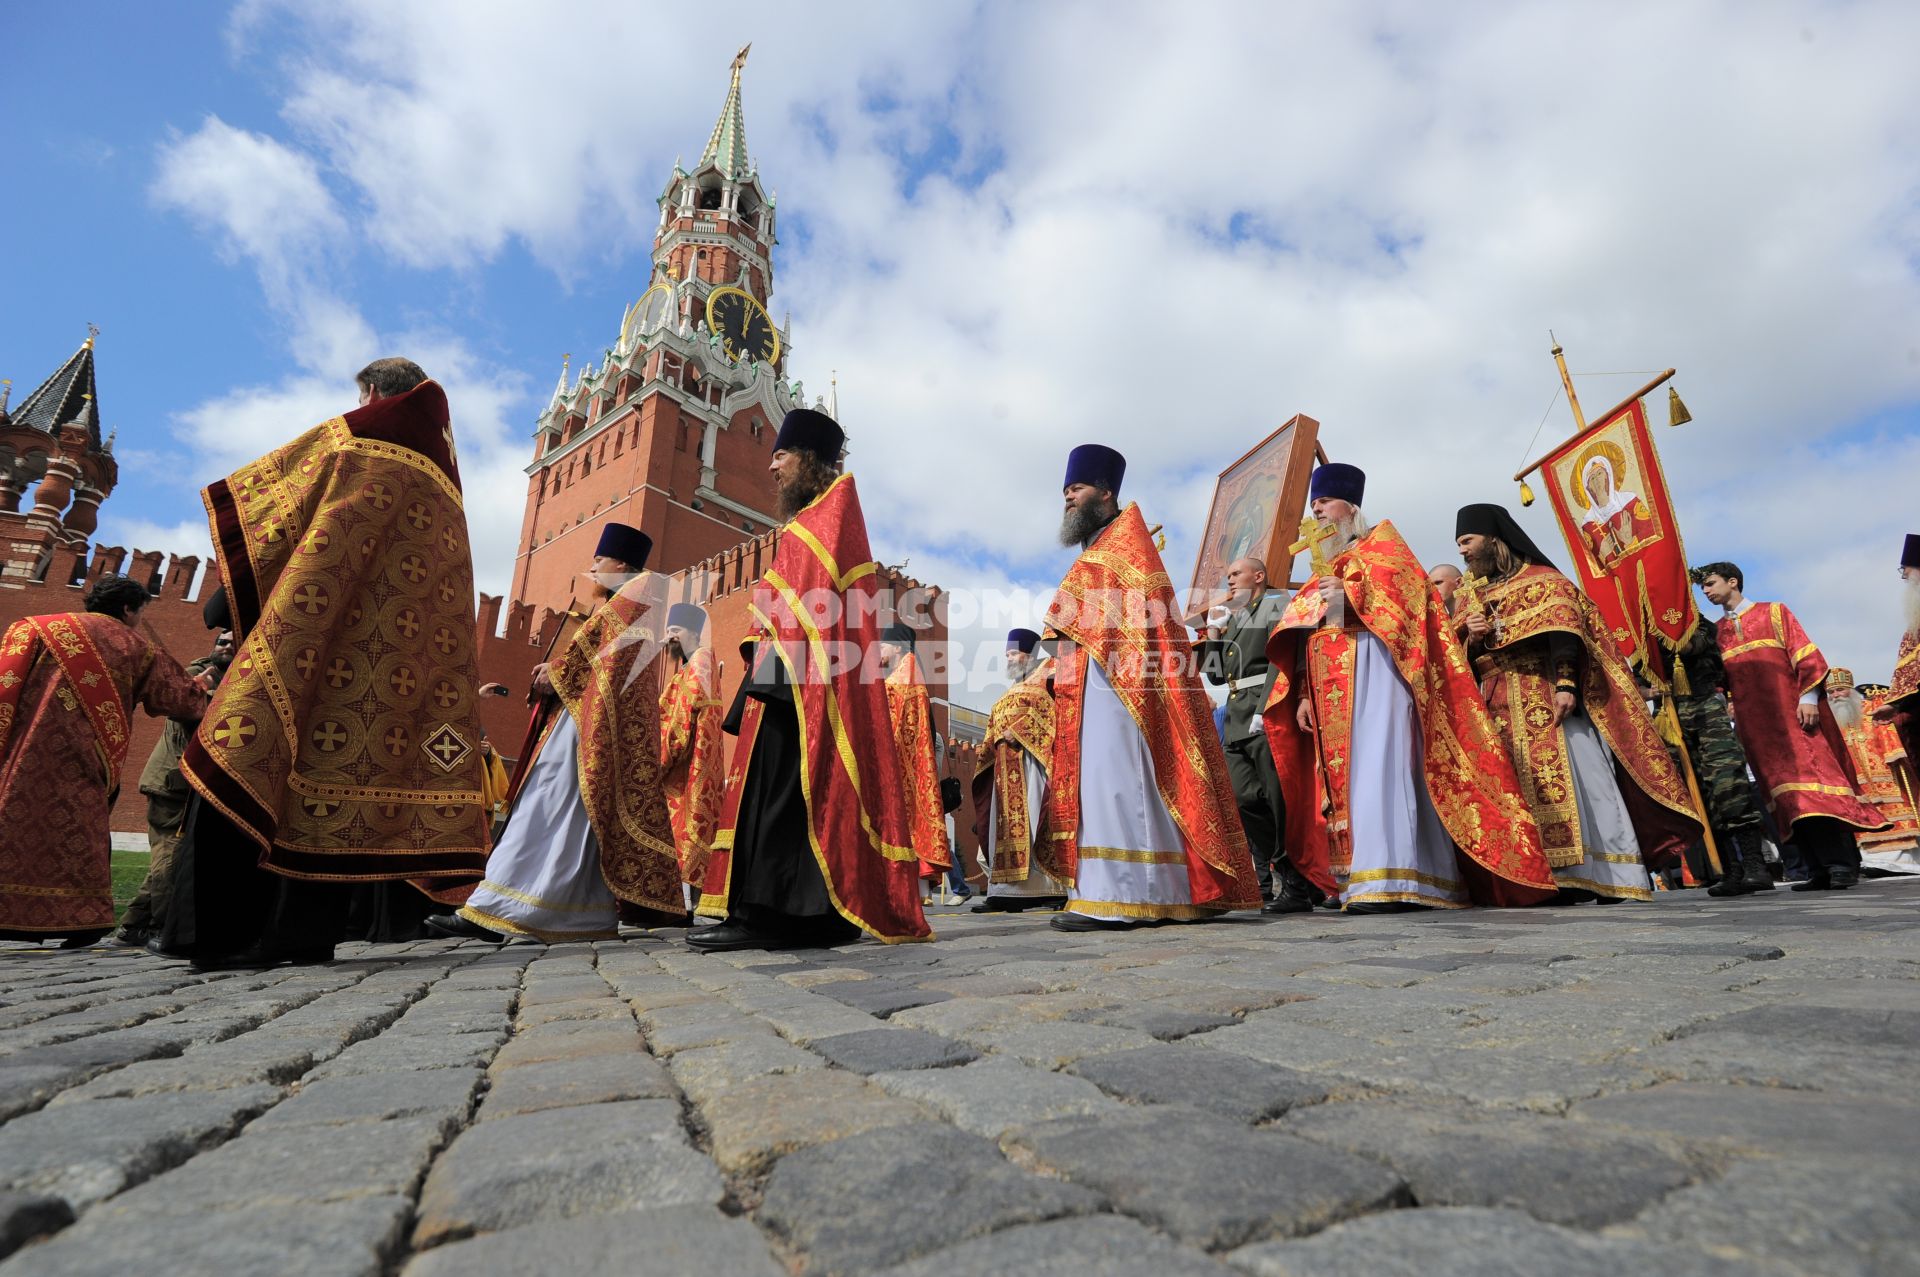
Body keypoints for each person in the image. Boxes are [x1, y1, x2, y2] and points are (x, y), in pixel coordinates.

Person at [168, 359, 492, 968]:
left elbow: (279, 519)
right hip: (391, 668)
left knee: (250, 752)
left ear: (371, 394)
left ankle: (232, 933)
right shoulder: (445, 484)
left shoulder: (360, 441)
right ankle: (306, 933)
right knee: (340, 788)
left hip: (314, 639)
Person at [1261, 468, 1557, 913]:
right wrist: (1302, 691)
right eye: (1313, 505)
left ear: (1351, 509)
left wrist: (1350, 594)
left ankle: (1395, 877)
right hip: (1330, 685)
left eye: (1324, 503)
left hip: (1377, 673)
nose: (1316, 510)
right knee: (1347, 781)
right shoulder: (1321, 566)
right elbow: (1307, 632)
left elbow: (1410, 609)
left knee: (1381, 767)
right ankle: (1358, 878)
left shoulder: (1383, 546)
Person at [691, 409, 927, 950]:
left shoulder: (832, 512)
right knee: (774, 788)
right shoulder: (811, 518)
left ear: (811, 460)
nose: (771, 468)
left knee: (784, 787)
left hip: (804, 679)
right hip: (785, 672)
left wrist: (776, 657)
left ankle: (773, 914)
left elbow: (818, 604)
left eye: (780, 456)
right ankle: (795, 912)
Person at [1042, 444, 1261, 930]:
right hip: (1097, 681)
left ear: (1105, 492)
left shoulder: (1125, 545)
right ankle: (1120, 890)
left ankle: (1126, 895)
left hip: (1124, 686)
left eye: (1075, 489)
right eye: (1064, 492)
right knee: (1104, 782)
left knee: (1123, 779)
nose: (1067, 499)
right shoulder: (1102, 549)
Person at [428, 524, 682, 942]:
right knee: (572, 816)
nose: (592, 568)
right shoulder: (632, 605)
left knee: (545, 804)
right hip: (585, 724)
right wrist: (560, 671)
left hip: (586, 730)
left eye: (598, 561)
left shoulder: (631, 604)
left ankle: (490, 908)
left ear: (619, 563)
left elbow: (607, 664)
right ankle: (579, 914)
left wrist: (558, 671)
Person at [1456, 504, 1701, 902]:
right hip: (1497, 704)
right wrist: (1472, 634)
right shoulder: (1470, 596)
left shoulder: (1545, 580)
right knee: (1519, 792)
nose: (1463, 552)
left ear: (1494, 538)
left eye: (1467, 541)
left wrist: (1567, 685)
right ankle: (1549, 879)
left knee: (1585, 780)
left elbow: (1565, 634)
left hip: (1548, 695)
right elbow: (1459, 660)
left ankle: (1610, 873)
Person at [0, 576, 210, 946]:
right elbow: (179, 700)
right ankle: (79, 921)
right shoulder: (136, 647)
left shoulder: (32, 628)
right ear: (129, 608)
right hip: (82, 757)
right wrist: (202, 687)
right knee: (77, 835)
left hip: (20, 753)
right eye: (141, 611)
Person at [1695, 561, 1885, 890]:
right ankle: (1816, 869)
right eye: (1703, 588)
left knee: (1814, 788)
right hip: (1756, 729)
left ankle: (1840, 865)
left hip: (1793, 716)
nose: (1707, 591)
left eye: (1711, 584)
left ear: (1733, 581)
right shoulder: (1716, 633)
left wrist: (1808, 699)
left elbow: (1806, 656)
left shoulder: (1774, 612)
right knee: (1784, 800)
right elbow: (1720, 681)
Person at [1197, 556, 1317, 911]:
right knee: (1242, 797)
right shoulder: (1234, 618)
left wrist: (1267, 707)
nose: (1229, 580)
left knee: (1278, 799)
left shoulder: (1275, 604)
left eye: (1236, 574)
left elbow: (1283, 657)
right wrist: (1215, 635)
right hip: (1236, 717)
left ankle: (1296, 882)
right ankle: (1289, 873)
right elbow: (1215, 676)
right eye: (1227, 575)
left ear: (1259, 576)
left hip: (1265, 712)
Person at [112, 623, 234, 947]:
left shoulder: (226, 681)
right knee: (171, 856)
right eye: (222, 642)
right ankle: (162, 927)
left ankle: (132, 926)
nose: (226, 648)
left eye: (233, 644)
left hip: (192, 786)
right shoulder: (195, 674)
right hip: (172, 785)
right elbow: (190, 714)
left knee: (171, 859)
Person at [1667, 623, 1775, 897]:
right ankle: (1730, 869)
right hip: (1672, 714)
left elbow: (1692, 646)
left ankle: (1755, 866)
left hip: (1706, 707)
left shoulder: (1694, 620)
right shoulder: (1639, 636)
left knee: (1729, 789)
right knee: (1702, 797)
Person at [972, 628, 1068, 913]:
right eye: (1007, 654)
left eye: (1013, 653)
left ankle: (1050, 889)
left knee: (1036, 819)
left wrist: (1022, 730)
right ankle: (1005, 892)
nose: (1009, 659)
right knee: (1003, 828)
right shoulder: (1010, 691)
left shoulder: (1047, 679)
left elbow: (1057, 716)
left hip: (1033, 766)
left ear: (1029, 654)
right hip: (1004, 769)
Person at [880, 621, 953, 904]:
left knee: (905, 822)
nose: (878, 650)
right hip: (905, 764)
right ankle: (912, 890)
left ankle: (909, 890)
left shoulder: (904, 675)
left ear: (897, 648)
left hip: (903, 765)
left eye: (882, 645)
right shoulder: (903, 674)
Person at [659, 602, 725, 901]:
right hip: (689, 766)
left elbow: (681, 720)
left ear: (692, 633)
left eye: (674, 631)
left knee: (687, 831)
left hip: (687, 767)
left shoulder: (699, 663)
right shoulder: (694, 664)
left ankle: (685, 902)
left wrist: (656, 762)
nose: (668, 637)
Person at [1830, 670, 1920, 873]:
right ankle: (1875, 863)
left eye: (1841, 690)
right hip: (1857, 783)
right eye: (1832, 692)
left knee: (1897, 815)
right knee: (1867, 820)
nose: (1836, 695)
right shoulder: (1832, 721)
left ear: (1851, 690)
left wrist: (1894, 753)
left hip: (1887, 773)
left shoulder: (1871, 708)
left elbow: (1886, 730)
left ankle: (1904, 863)